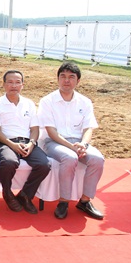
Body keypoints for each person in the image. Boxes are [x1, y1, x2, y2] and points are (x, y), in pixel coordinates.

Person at [38, 62, 105, 220]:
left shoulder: (85, 102)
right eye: (63, 77)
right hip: (53, 142)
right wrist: (72, 147)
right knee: (69, 157)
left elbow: (88, 128)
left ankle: (85, 201)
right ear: (58, 79)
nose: (66, 81)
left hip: (78, 142)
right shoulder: (47, 101)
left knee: (97, 159)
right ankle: (63, 201)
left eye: (71, 77)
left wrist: (83, 144)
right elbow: (51, 131)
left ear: (78, 81)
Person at [0, 70, 50, 214]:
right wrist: (12, 145)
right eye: (10, 82)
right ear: (3, 84)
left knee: (44, 165)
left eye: (17, 82)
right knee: (9, 162)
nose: (13, 86)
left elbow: (34, 129)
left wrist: (31, 143)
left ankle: (25, 195)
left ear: (22, 85)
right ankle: (8, 193)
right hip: (6, 143)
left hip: (27, 142)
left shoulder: (29, 104)